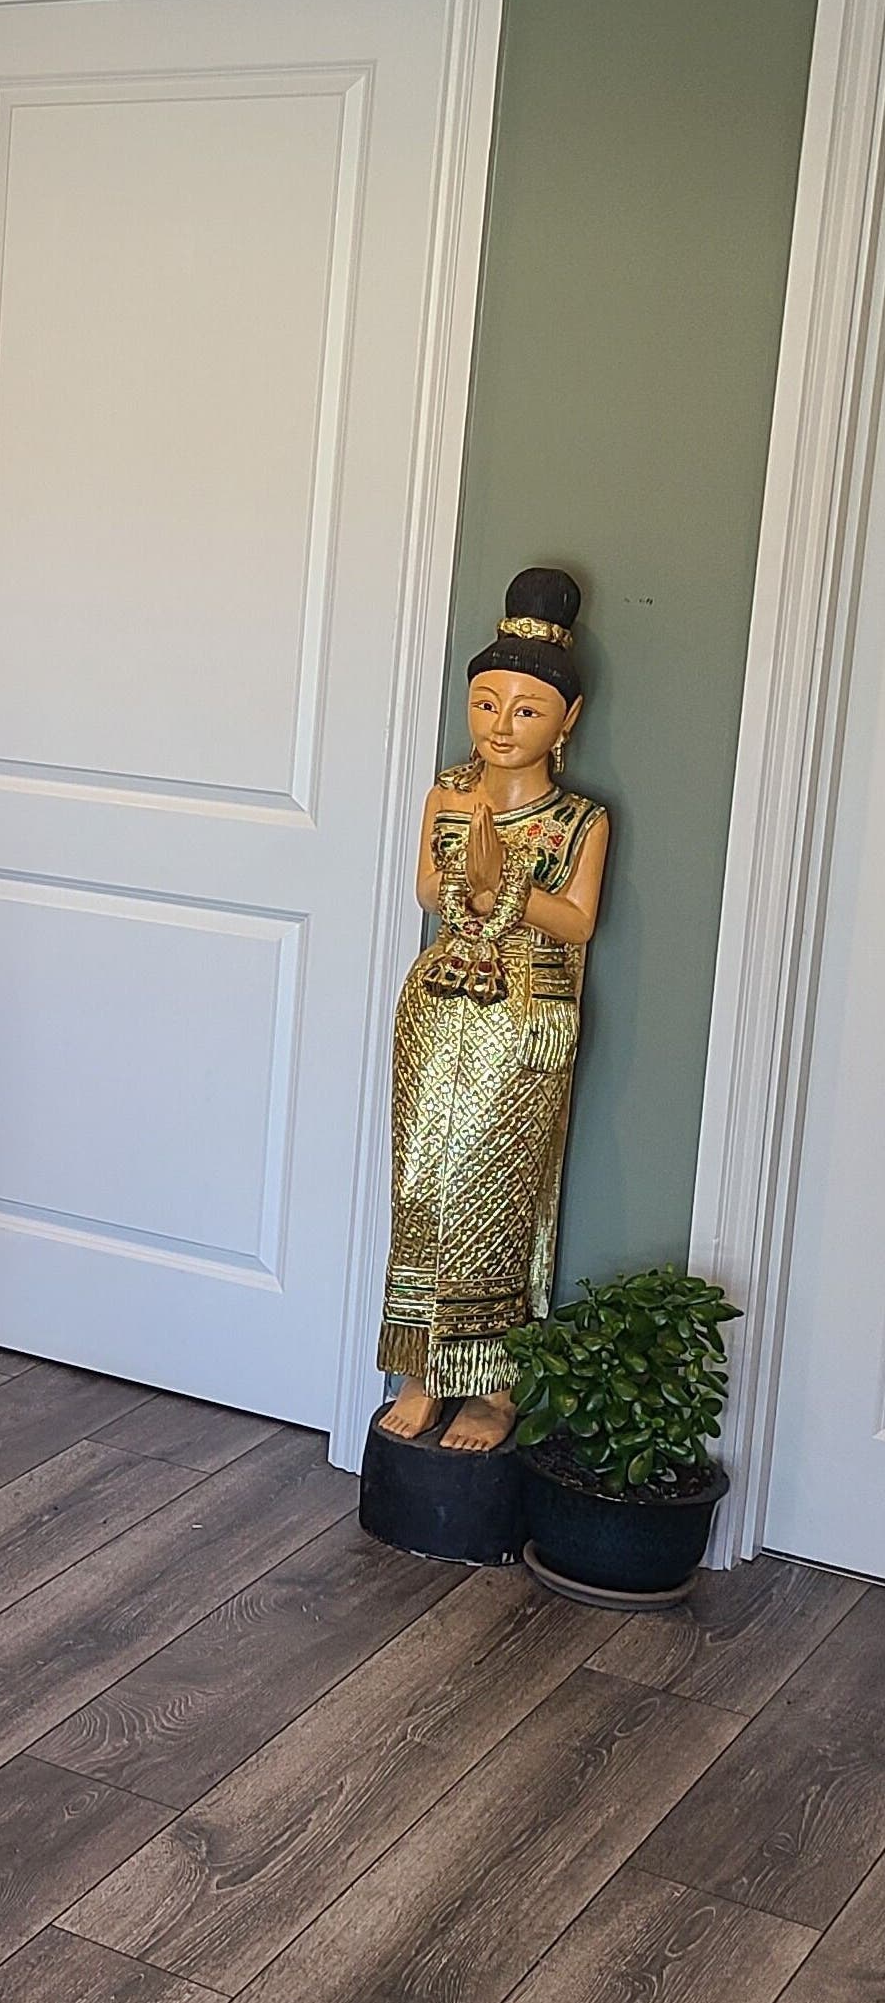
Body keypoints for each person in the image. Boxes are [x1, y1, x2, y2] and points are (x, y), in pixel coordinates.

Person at [379, 568, 611, 1454]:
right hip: (439, 1003)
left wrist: (501, 883)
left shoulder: (579, 820)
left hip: (526, 1009)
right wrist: (466, 888)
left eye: (525, 710)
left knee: (500, 1189)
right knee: (422, 1181)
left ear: (568, 718)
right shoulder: (450, 792)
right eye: (486, 705)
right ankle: (421, 1365)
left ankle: (494, 1380)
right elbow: (430, 892)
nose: (501, 727)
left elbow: (579, 922)